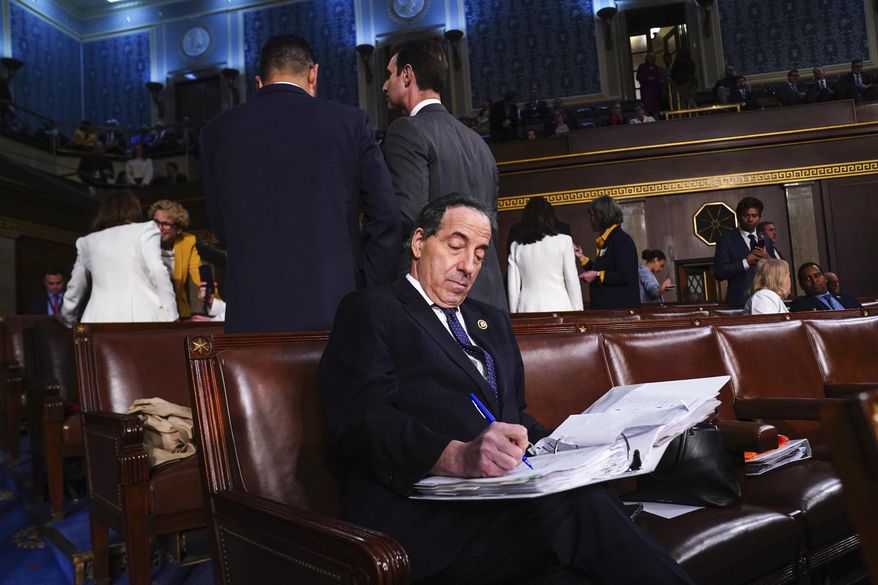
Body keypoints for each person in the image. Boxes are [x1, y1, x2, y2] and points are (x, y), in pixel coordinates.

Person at [319, 194, 695, 585]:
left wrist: (571, 449)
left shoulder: (491, 321)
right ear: (418, 242)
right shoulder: (372, 309)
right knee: (578, 509)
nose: (468, 266)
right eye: (455, 246)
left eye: (480, 254)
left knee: (585, 517)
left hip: (506, 505)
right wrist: (455, 456)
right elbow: (360, 419)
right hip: (426, 519)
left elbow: (513, 416)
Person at [200, 34, 401, 333]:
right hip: (337, 310)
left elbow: (220, 227)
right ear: (313, 74)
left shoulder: (215, 133)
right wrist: (366, 287)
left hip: (251, 316)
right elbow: (386, 218)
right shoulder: (350, 123)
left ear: (259, 82)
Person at [382, 38, 507, 312]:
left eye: (389, 74)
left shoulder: (406, 131)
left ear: (407, 75)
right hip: (487, 301)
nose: (384, 85)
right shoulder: (480, 144)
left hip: (436, 305)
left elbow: (408, 220)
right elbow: (490, 230)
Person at [60, 191, 178, 327]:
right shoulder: (145, 229)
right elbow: (157, 271)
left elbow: (75, 287)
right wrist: (172, 316)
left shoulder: (87, 242)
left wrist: (68, 320)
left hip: (96, 320)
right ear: (134, 210)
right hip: (141, 318)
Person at [507, 196, 582, 313]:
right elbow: (572, 282)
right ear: (551, 216)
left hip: (527, 308)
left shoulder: (516, 247)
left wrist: (514, 315)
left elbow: (513, 288)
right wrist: (578, 312)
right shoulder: (565, 241)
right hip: (560, 306)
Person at [576, 195, 640, 309]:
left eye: (592, 215)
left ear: (602, 216)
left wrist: (597, 275)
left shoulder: (621, 240)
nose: (590, 219)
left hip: (620, 312)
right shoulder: (609, 239)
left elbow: (625, 276)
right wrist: (581, 258)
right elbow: (604, 270)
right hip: (610, 310)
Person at [714, 197, 776, 307]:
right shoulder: (726, 240)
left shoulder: (766, 240)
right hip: (739, 302)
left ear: (759, 217)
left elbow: (777, 272)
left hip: (767, 300)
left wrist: (768, 258)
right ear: (738, 217)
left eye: (754, 216)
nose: (750, 219)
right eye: (746, 215)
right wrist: (746, 262)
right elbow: (719, 272)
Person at [148, 200, 203, 318]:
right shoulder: (144, 242)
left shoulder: (187, 242)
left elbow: (199, 277)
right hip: (149, 311)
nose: (159, 228)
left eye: (166, 224)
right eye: (156, 222)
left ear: (178, 229)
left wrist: (217, 305)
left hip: (178, 310)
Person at [790, 263, 862, 312]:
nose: (814, 280)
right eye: (807, 279)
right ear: (801, 285)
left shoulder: (848, 298)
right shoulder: (800, 304)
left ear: (825, 278)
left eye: (817, 275)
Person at [636, 53, 663, 117]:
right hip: (646, 92)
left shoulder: (656, 67)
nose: (653, 59)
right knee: (647, 109)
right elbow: (638, 77)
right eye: (651, 57)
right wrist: (647, 78)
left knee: (656, 109)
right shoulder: (642, 66)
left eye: (654, 58)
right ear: (647, 58)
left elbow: (659, 78)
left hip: (655, 92)